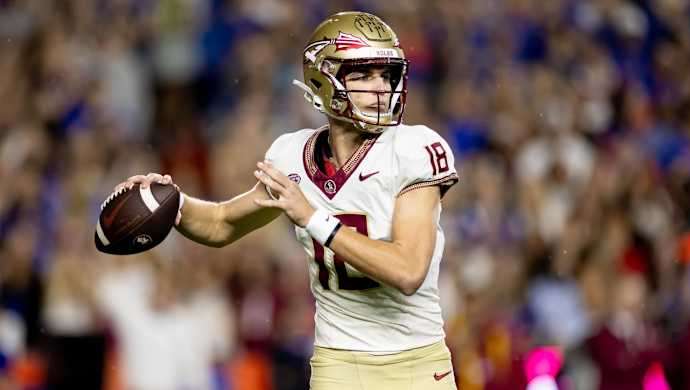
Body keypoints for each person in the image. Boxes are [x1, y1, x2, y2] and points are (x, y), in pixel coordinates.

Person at [116, 11, 459, 390]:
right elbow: (222, 223)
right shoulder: (292, 155)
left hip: (414, 360)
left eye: (387, 74)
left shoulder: (414, 147)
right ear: (323, 79)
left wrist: (313, 218)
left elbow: (408, 270)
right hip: (338, 362)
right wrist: (173, 204)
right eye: (363, 74)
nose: (381, 87)